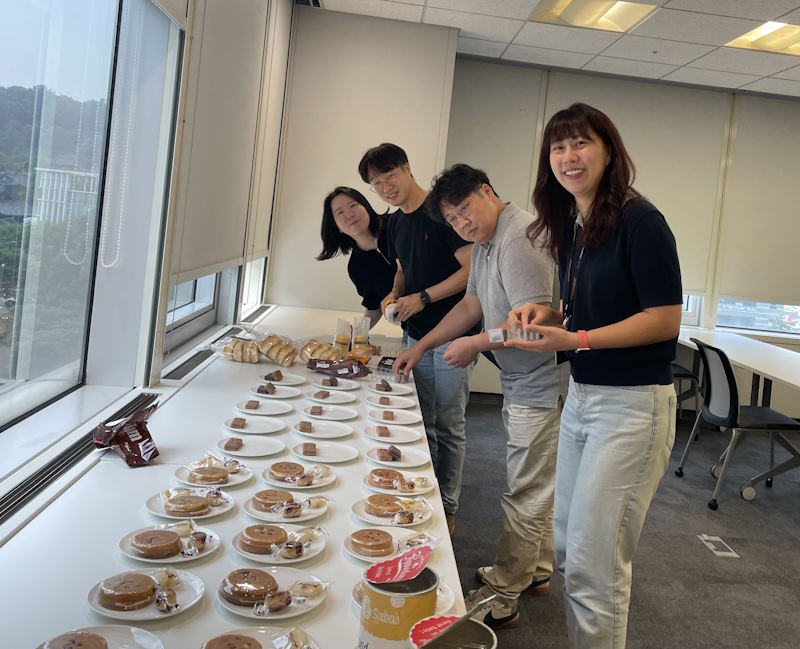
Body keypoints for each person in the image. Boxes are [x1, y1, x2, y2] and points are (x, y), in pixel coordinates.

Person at [506, 103, 681, 649]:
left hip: (631, 407)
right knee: (566, 545)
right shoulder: (579, 224)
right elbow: (593, 310)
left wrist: (574, 339)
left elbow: (663, 318)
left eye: (580, 143)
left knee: (593, 563)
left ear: (608, 151)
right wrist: (550, 316)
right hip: (583, 397)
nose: (568, 157)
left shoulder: (640, 219)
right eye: (558, 148)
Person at [393, 164, 562, 630]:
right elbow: (471, 304)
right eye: (452, 220)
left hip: (542, 380)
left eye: (466, 209)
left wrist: (474, 343)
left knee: (525, 487)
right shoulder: (487, 242)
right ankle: (538, 570)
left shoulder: (519, 237)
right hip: (521, 378)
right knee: (534, 479)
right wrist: (426, 343)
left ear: (487, 192)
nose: (462, 223)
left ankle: (506, 590)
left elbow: (535, 322)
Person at [358, 143, 477, 534]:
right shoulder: (396, 223)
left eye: (390, 175)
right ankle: (420, 499)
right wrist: (395, 293)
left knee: (448, 425)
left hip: (452, 335)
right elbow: (402, 267)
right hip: (414, 336)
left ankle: (450, 507)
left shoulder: (442, 215)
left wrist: (423, 297)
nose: (385, 186)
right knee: (417, 422)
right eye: (376, 183)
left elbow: (469, 272)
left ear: (408, 168)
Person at [317, 187, 396, 328]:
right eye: (340, 212)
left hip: (443, 310)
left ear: (365, 206)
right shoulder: (356, 267)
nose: (349, 215)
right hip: (414, 329)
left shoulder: (395, 225)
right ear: (337, 227)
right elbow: (374, 306)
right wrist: (357, 332)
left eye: (353, 205)